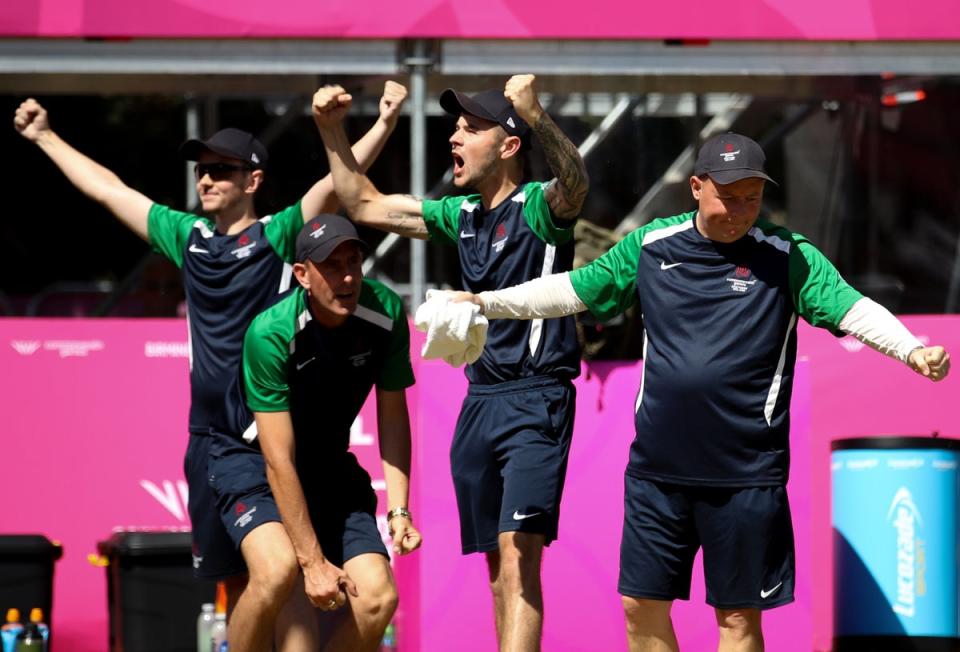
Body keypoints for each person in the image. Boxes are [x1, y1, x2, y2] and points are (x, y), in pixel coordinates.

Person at [446, 132, 951, 652]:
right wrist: (486, 302)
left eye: (751, 197)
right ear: (694, 186)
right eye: (728, 196)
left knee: (736, 621)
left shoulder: (788, 255)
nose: (740, 209)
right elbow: (570, 290)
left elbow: (852, 308)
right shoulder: (651, 245)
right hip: (657, 472)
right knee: (639, 609)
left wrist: (911, 349)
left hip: (746, 477)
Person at [13, 83, 407, 619]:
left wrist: (382, 123)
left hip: (269, 436)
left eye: (222, 169)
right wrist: (45, 137)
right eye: (202, 169)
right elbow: (109, 190)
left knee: (284, 582)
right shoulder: (188, 235)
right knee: (239, 592)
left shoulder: (280, 237)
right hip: (211, 441)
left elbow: (336, 185)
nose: (206, 178)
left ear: (254, 180)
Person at [312, 74, 589, 652]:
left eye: (470, 129)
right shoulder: (461, 214)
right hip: (479, 402)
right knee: (496, 571)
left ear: (509, 146)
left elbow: (576, 181)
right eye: (455, 129)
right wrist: (331, 131)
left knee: (518, 560)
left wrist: (535, 115)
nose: (454, 140)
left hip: (536, 397)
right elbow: (361, 202)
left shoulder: (540, 206)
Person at [208, 214, 421, 652]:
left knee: (379, 600)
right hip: (250, 459)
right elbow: (277, 459)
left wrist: (399, 510)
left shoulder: (384, 312)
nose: (347, 277)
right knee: (277, 571)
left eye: (353, 262)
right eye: (331, 266)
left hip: (327, 463)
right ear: (302, 275)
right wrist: (313, 562)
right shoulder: (271, 333)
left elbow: (394, 416)